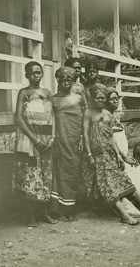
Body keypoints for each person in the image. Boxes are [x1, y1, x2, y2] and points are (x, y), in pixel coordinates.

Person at [82, 83, 140, 225]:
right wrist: (89, 155)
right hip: (98, 158)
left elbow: (111, 138)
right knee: (108, 186)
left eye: (103, 98)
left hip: (110, 155)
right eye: (97, 98)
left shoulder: (107, 114)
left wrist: (120, 156)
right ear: (92, 98)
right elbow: (85, 135)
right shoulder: (88, 113)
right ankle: (123, 215)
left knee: (125, 181)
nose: (100, 101)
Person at [12, 61, 56, 227]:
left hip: (46, 139)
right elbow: (19, 119)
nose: (36, 75)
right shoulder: (24, 93)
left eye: (38, 72)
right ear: (27, 75)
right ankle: (30, 216)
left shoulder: (47, 93)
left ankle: (43, 212)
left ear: (42, 73)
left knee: (46, 174)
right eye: (32, 73)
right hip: (28, 139)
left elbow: (53, 116)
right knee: (30, 175)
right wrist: (35, 139)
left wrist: (52, 137)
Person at [105, 87, 140, 201]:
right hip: (115, 155)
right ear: (106, 101)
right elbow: (111, 140)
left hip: (123, 154)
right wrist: (123, 157)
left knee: (136, 166)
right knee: (130, 168)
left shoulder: (114, 115)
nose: (115, 101)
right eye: (112, 99)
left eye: (117, 99)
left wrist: (127, 156)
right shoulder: (106, 116)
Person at [51, 66, 84, 221]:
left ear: (73, 80)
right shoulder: (53, 100)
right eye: (63, 78)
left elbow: (85, 118)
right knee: (60, 172)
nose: (66, 81)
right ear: (58, 79)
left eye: (69, 79)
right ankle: (59, 210)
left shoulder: (78, 98)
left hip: (76, 139)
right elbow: (51, 121)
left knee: (74, 171)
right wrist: (53, 140)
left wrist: (83, 137)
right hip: (61, 139)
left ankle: (71, 208)